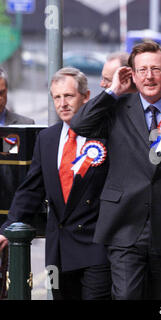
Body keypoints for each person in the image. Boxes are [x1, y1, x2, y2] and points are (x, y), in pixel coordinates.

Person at [70, 40, 161, 300]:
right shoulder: (115, 107)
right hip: (124, 225)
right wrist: (113, 90)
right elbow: (80, 125)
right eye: (142, 70)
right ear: (132, 75)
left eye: (156, 69)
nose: (149, 76)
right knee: (127, 295)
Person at [0, 67, 112, 300]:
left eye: (69, 96)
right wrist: (8, 227)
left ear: (86, 96)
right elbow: (32, 189)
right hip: (59, 249)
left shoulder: (105, 136)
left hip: (96, 247)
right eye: (57, 97)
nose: (62, 103)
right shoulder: (47, 139)